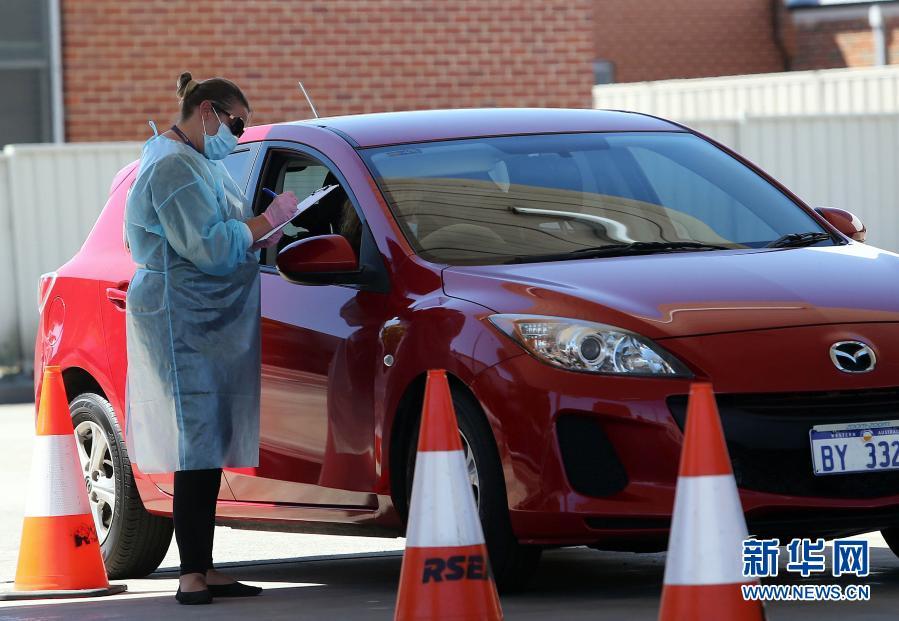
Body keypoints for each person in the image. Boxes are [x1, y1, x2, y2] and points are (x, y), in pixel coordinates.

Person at [124, 72, 298, 605]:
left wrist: (265, 223)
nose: (237, 136)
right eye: (235, 123)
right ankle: (191, 574)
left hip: (206, 314)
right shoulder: (173, 165)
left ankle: (204, 564)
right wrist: (268, 218)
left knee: (209, 441)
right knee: (196, 443)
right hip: (183, 316)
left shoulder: (197, 161)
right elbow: (213, 247)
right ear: (207, 112)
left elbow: (230, 225)